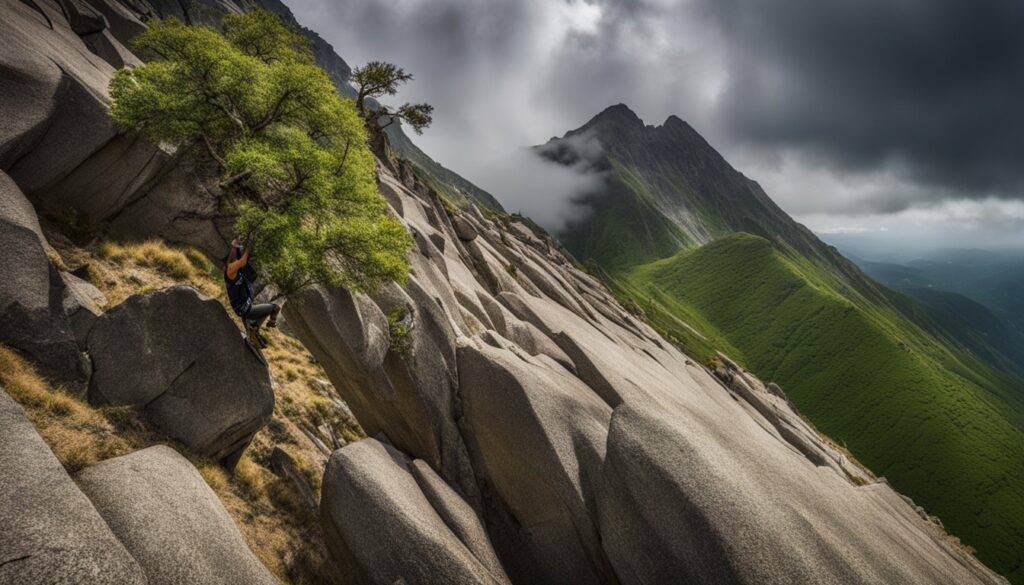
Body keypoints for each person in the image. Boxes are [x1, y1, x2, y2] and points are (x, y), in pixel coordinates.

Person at [224, 239, 279, 348]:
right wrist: (250, 245)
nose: (237, 263)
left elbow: (240, 260)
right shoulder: (230, 270)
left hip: (244, 307)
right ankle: (262, 326)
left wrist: (235, 247)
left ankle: (254, 330)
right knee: (275, 307)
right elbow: (242, 261)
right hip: (245, 309)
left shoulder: (234, 271)